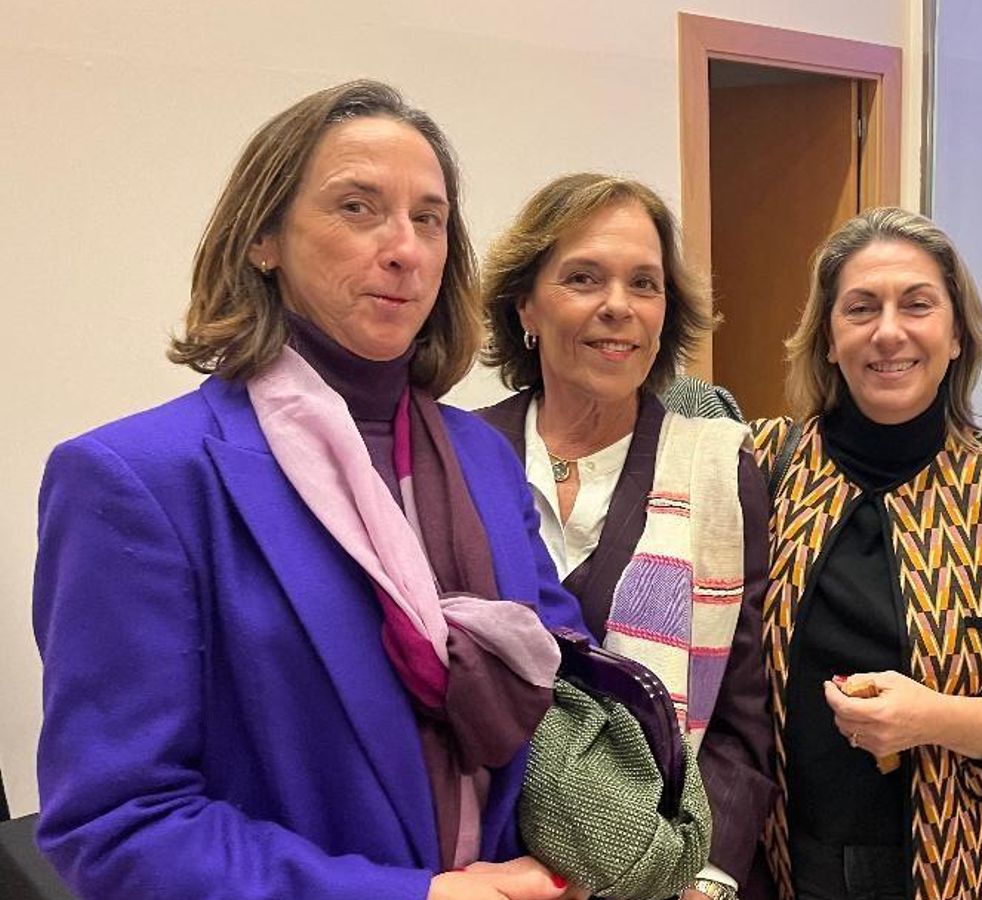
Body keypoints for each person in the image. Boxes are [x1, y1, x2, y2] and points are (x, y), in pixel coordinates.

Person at [32, 80, 591, 900]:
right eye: (357, 208)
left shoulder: (484, 457)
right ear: (264, 238)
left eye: (429, 218)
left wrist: (598, 847)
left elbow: (565, 683)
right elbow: (118, 823)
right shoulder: (137, 479)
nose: (404, 249)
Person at [751, 207, 982, 900]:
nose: (889, 332)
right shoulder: (764, 467)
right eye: (861, 308)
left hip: (975, 869)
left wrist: (934, 719)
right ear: (828, 339)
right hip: (794, 865)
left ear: (956, 335)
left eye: (917, 305)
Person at [476, 173, 775, 900]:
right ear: (526, 305)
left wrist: (705, 880)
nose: (619, 306)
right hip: (489, 868)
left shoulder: (719, 468)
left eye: (644, 283)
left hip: (666, 869)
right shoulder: (459, 458)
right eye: (584, 278)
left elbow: (742, 718)